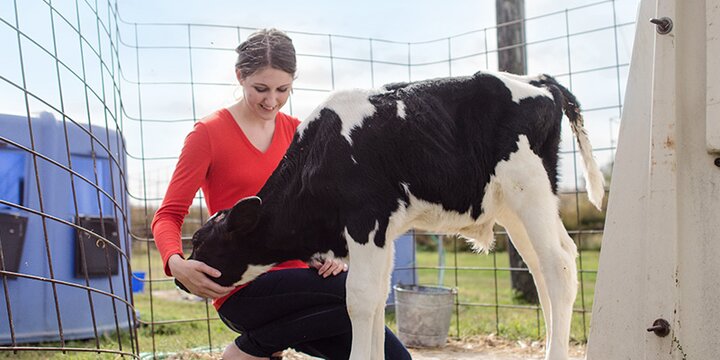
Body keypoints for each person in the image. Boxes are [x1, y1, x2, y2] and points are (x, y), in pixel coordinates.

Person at [151, 28, 411, 360]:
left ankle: (258, 346)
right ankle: (253, 348)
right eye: (260, 89)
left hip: (309, 285)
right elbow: (169, 214)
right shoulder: (209, 134)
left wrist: (331, 256)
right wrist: (176, 264)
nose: (271, 100)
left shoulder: (300, 134)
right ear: (240, 76)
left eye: (282, 89)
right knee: (359, 292)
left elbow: (323, 215)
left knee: (396, 357)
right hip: (243, 287)